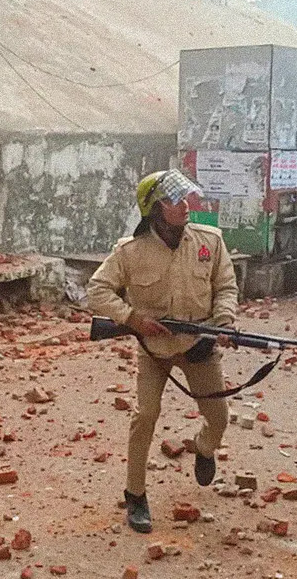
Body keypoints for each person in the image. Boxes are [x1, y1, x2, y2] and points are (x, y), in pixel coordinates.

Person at [87, 169, 238, 534]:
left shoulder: (210, 241)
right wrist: (132, 318)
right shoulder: (130, 252)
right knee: (145, 415)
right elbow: (97, 290)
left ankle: (203, 447)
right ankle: (136, 495)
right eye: (174, 201)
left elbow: (226, 287)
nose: (186, 206)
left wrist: (224, 323)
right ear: (155, 210)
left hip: (198, 344)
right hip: (153, 349)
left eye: (186, 198)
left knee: (218, 417)